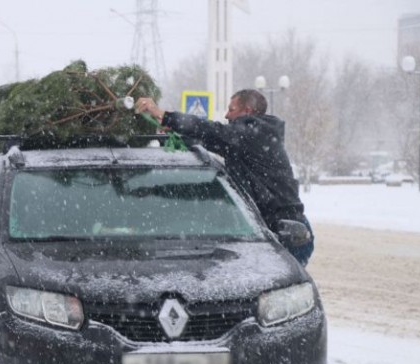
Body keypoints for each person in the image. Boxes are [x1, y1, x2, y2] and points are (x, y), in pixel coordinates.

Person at [135, 89, 314, 266]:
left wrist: (164, 115)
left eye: (231, 109)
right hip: (268, 229)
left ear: (248, 111)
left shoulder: (258, 133)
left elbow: (212, 130)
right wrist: (173, 135)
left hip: (288, 231)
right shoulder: (244, 141)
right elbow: (207, 142)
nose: (227, 115)